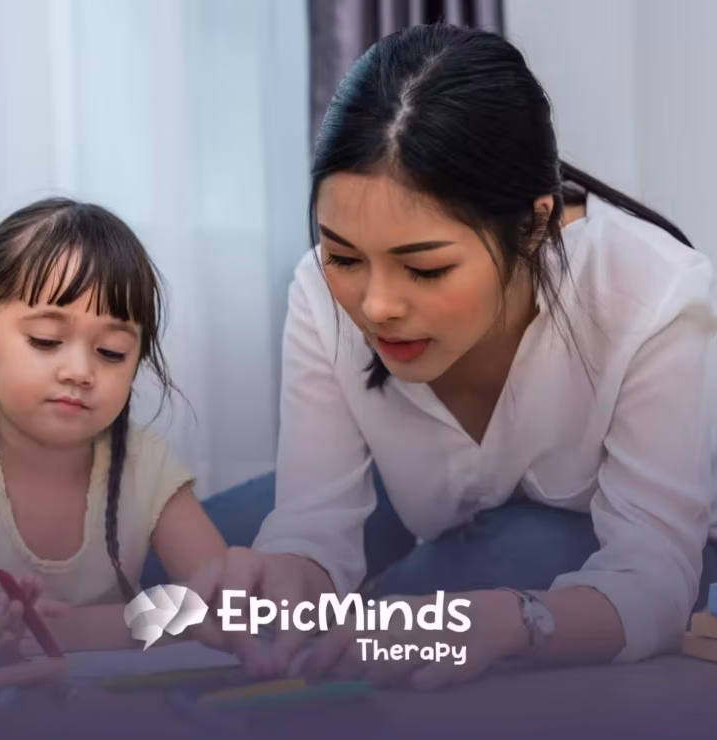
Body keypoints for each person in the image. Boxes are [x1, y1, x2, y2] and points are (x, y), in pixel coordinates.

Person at [178, 23, 717, 689]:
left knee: (455, 590)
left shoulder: (654, 293)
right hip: (410, 493)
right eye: (344, 256)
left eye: (425, 269)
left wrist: (508, 621)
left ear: (534, 224)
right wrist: (283, 575)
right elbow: (313, 529)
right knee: (178, 574)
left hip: (586, 522)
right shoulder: (320, 293)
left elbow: (653, 576)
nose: (375, 306)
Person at [0, 198, 226, 665]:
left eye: (111, 351)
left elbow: (229, 604)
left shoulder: (147, 465)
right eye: (46, 341)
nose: (80, 371)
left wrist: (81, 628)